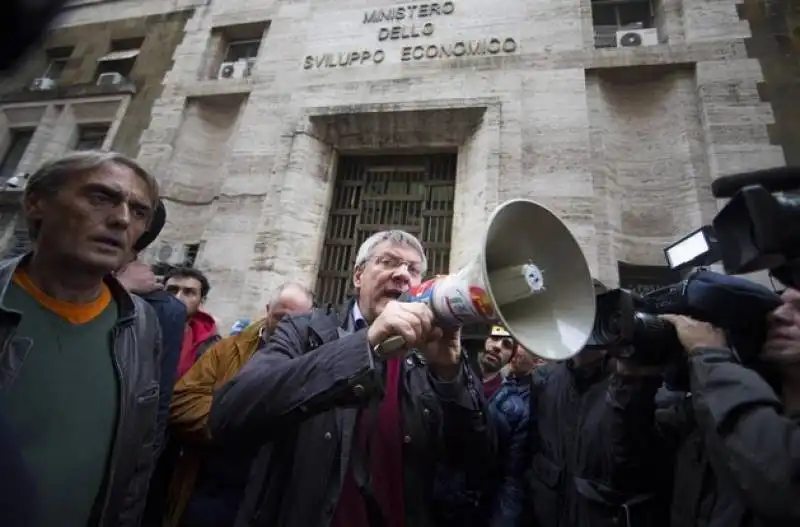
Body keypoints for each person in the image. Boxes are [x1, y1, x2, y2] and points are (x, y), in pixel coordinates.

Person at [209, 230, 494, 527]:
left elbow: (477, 459)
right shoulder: (304, 330)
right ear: (358, 276)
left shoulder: (428, 356)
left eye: (413, 270)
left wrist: (450, 374)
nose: (402, 275)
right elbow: (229, 412)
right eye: (388, 262)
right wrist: (365, 345)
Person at [0, 150, 164, 527]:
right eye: (100, 198)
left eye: (139, 212)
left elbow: (138, 459)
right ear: (37, 202)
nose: (121, 219)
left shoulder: (142, 325)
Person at [164, 283, 314, 527]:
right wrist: (241, 419)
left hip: (275, 495)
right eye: (280, 317)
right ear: (267, 310)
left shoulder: (313, 362)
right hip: (215, 487)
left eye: (296, 320)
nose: (288, 326)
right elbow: (182, 402)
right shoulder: (227, 351)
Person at [164, 266, 219, 380]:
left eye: (189, 292)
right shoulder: (135, 328)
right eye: (172, 290)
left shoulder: (211, 347)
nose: (178, 297)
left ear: (201, 300)